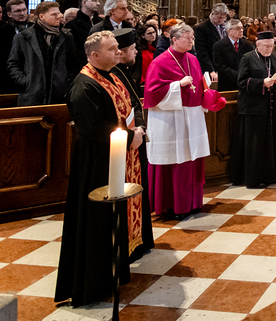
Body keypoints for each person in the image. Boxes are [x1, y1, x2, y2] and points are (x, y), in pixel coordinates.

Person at [55, 31, 144, 307]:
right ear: (94, 55)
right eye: (112, 49)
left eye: (118, 47)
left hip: (116, 157)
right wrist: (130, 137)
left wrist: (137, 129)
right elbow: (93, 128)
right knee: (96, 220)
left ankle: (113, 271)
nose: (119, 52)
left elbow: (128, 107)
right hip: (96, 162)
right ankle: (92, 282)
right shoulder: (84, 86)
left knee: (112, 217)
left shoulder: (113, 75)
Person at [144, 24, 210, 218]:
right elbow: (152, 92)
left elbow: (199, 84)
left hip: (193, 116)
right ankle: (171, 205)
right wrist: (176, 85)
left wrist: (207, 95)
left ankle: (193, 203)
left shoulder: (193, 59)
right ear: (174, 40)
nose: (191, 41)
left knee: (191, 159)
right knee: (174, 161)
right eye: (187, 38)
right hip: (169, 119)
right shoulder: (160, 61)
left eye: (192, 38)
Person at [108, 28, 155, 259]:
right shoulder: (112, 74)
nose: (136, 52)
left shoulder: (123, 72)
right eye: (133, 48)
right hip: (124, 141)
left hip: (134, 135)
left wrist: (141, 127)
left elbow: (135, 103)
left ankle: (139, 239)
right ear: (121, 52)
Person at [230, 32, 276, 187]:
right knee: (255, 145)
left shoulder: (275, 57)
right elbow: (241, 82)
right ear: (258, 45)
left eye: (271, 46)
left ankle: (274, 175)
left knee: (272, 142)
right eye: (266, 46)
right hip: (253, 109)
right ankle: (255, 178)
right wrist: (262, 83)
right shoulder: (247, 58)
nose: (269, 49)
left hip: (272, 108)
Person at [7, 1, 75, 106]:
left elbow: (72, 63)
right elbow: (13, 63)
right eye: (54, 14)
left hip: (59, 93)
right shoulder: (23, 37)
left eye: (59, 13)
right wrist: (25, 82)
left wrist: (67, 82)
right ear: (42, 16)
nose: (59, 16)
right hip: (32, 93)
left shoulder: (66, 36)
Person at [213, 19, 253, 92]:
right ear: (229, 31)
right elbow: (220, 66)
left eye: (242, 28)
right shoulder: (219, 46)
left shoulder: (248, 45)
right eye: (237, 28)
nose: (241, 30)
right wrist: (238, 75)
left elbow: (251, 62)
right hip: (227, 84)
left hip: (244, 84)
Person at [192, 3, 228, 83]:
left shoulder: (225, 27)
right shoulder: (202, 28)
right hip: (211, 66)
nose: (221, 20)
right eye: (219, 17)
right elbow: (202, 52)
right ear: (212, 13)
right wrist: (210, 70)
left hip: (223, 66)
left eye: (223, 18)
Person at [137, 23, 158, 90]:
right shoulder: (142, 53)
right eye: (149, 33)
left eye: (154, 32)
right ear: (143, 36)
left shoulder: (157, 48)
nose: (153, 35)